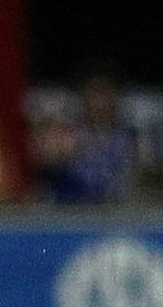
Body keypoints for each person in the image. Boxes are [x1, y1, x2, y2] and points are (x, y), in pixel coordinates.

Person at [34, 70, 140, 205]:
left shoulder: (125, 139)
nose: (100, 103)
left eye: (104, 95)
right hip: (72, 209)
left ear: (114, 98)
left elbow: (134, 180)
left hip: (112, 210)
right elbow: (46, 163)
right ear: (85, 97)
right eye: (95, 95)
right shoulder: (70, 133)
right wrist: (56, 151)